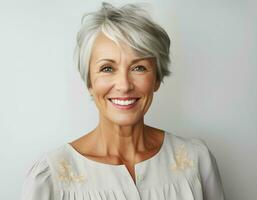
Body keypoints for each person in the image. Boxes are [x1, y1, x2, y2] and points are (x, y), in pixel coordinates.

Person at [21, 2, 225, 200]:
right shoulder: (51, 178)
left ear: (156, 79)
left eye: (139, 67)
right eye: (107, 68)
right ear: (89, 81)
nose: (124, 85)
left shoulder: (196, 161)